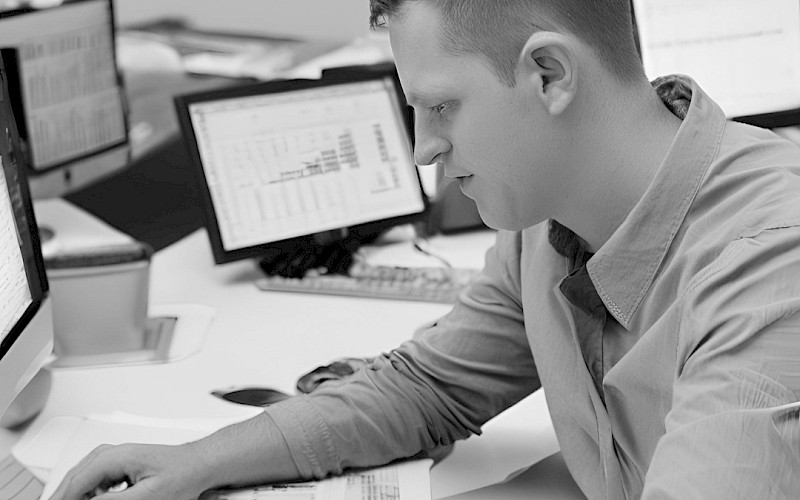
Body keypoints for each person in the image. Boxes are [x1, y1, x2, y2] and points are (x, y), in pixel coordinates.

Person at [51, 1, 800, 499]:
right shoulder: (547, 225)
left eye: (440, 107)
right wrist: (197, 464)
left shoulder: (772, 260)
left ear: (550, 75)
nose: (422, 151)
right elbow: (425, 389)